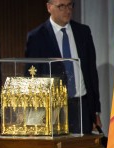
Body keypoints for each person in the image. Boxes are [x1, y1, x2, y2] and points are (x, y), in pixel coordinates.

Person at [25, 0, 102, 135]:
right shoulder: (37, 37)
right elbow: (31, 77)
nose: (67, 10)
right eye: (61, 6)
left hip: (81, 105)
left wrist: (95, 110)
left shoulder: (83, 32)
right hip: (53, 108)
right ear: (49, 7)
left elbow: (91, 73)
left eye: (70, 5)